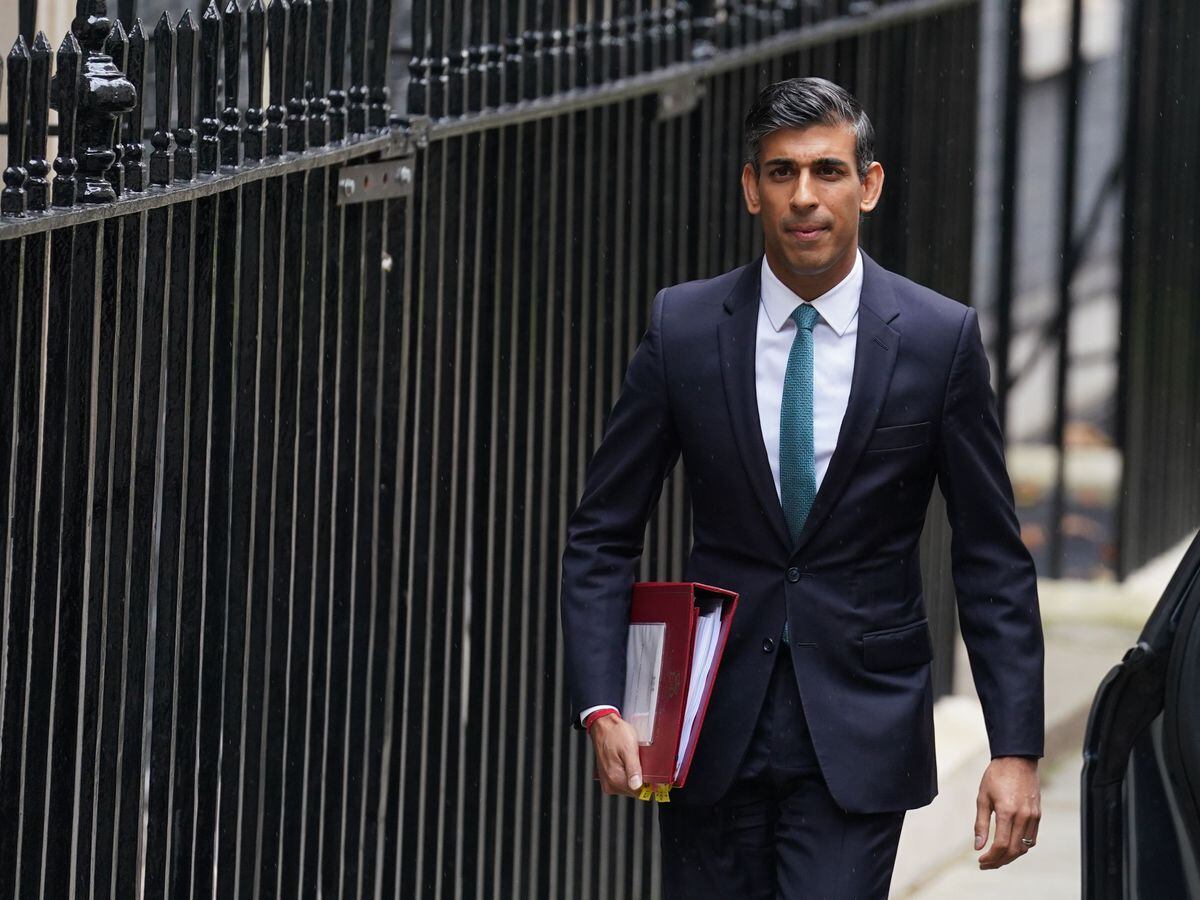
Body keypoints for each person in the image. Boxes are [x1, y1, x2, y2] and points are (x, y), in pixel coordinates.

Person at [559, 77, 1044, 898]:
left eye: (828, 171)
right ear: (752, 189)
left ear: (870, 185)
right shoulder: (683, 327)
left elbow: (991, 557)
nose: (805, 197)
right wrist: (602, 704)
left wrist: (1015, 748)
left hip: (859, 729)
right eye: (782, 173)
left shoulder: (938, 339)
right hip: (707, 729)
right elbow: (603, 532)